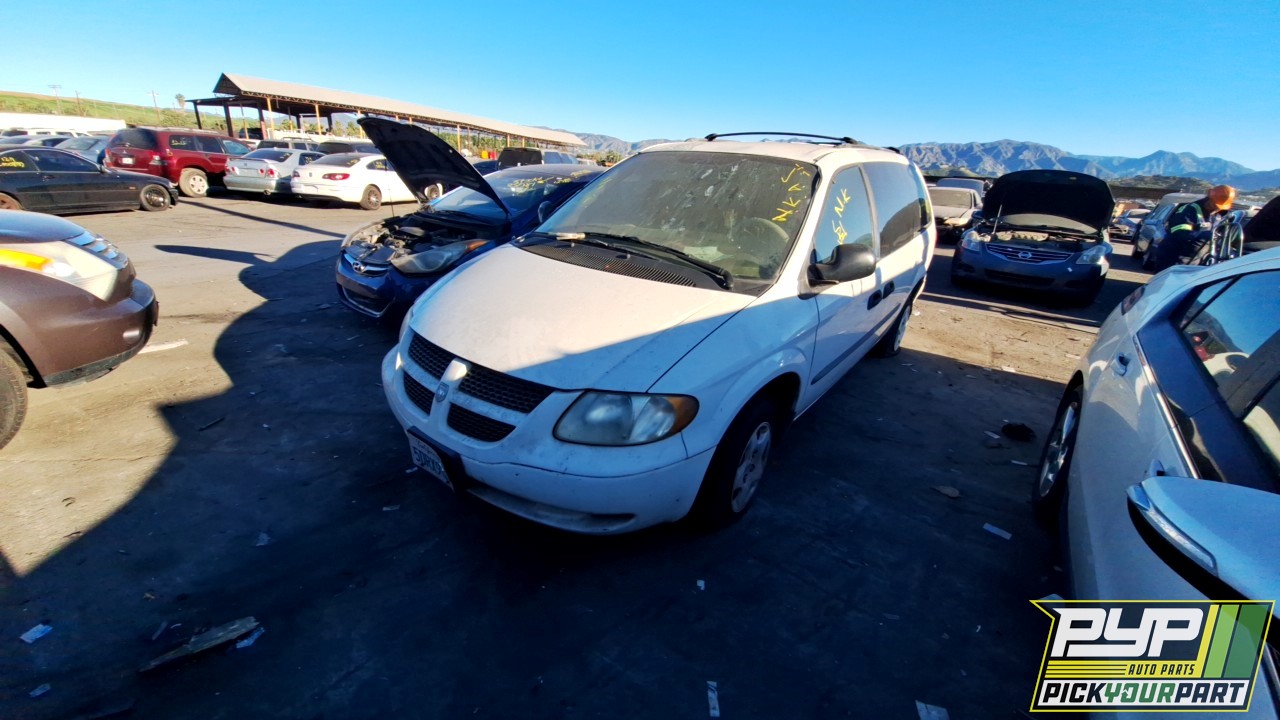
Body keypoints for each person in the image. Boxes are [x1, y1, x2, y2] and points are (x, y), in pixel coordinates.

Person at [1151, 185, 1236, 270]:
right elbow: (1179, 231)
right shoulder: (1189, 210)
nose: (1216, 208)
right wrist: (1202, 233)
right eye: (1215, 204)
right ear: (1209, 197)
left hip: (1192, 260)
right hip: (1173, 256)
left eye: (1219, 207)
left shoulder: (1217, 215)